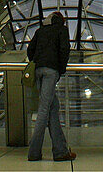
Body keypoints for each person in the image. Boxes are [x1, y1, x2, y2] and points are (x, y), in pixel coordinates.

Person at [27, 12, 75, 162]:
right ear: (61, 21)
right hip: (51, 71)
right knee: (43, 110)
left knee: (53, 107)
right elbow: (64, 50)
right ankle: (33, 153)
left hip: (39, 70)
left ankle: (60, 151)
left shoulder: (40, 31)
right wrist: (60, 70)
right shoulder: (62, 30)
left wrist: (36, 61)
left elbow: (30, 50)